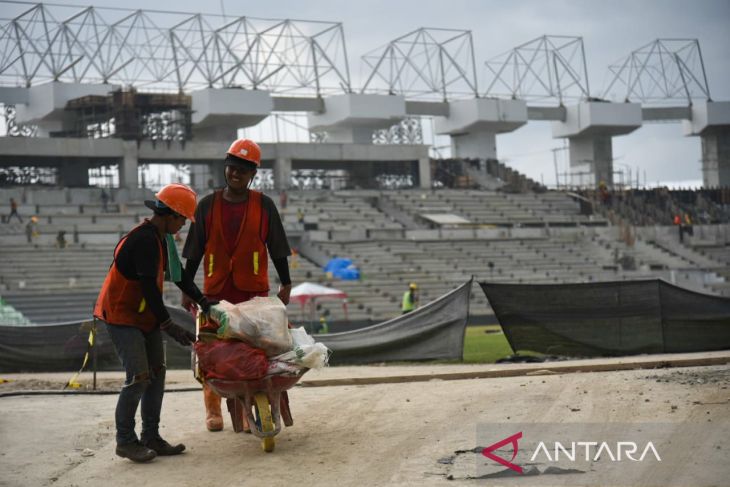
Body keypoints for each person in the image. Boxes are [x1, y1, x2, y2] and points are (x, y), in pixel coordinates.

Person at [93, 183, 213, 463]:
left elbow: (178, 275)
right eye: (182, 218)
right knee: (138, 377)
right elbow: (149, 288)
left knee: (157, 374)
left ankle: (151, 437)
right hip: (123, 316)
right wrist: (169, 325)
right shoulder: (145, 240)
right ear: (169, 214)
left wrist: (204, 301)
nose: (183, 224)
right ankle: (125, 440)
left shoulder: (162, 238)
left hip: (144, 317)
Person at [182, 137, 293, 432]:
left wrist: (286, 282)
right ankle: (213, 408)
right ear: (226, 168)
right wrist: (186, 290)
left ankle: (248, 405)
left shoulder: (264, 205)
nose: (236, 174)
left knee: (253, 350)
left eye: (243, 170)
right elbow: (193, 251)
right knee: (213, 350)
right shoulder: (207, 206)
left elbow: (278, 247)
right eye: (232, 168)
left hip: (253, 292)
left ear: (252, 175)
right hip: (215, 294)